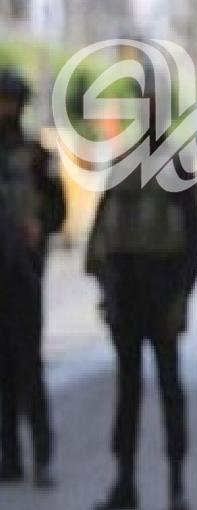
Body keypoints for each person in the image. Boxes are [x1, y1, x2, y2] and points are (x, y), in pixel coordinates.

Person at [86, 83, 197, 510]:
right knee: (128, 390)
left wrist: (183, 293)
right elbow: (103, 227)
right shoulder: (123, 160)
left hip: (162, 290)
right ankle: (125, 482)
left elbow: (195, 234)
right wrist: (106, 285)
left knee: (170, 387)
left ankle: (176, 482)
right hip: (127, 291)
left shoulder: (177, 164)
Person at [0, 68, 65, 488]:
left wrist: (38, 231)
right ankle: (11, 456)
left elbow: (58, 212)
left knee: (29, 365)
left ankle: (42, 455)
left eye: (8, 102)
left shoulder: (37, 156)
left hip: (24, 274)